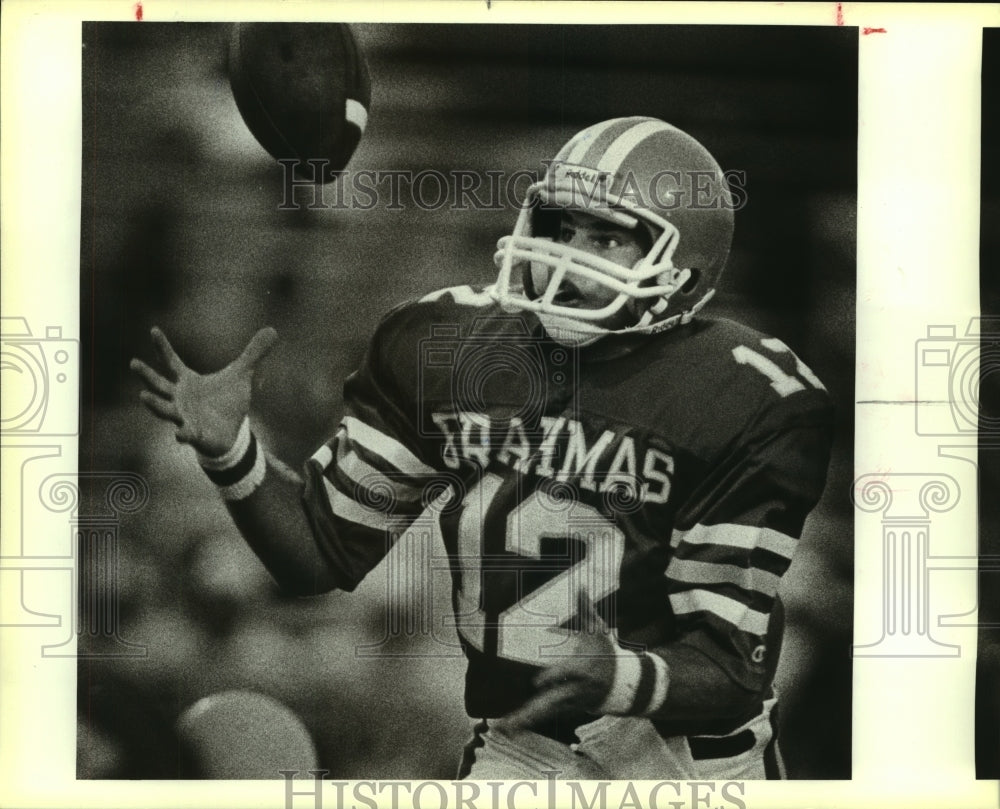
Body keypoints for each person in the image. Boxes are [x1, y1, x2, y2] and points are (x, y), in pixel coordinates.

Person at [131, 116, 834, 780]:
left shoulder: (741, 394)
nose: (566, 254)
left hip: (685, 762)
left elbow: (733, 666)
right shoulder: (449, 345)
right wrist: (232, 452)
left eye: (607, 237)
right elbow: (321, 551)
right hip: (519, 746)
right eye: (562, 226)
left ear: (681, 267)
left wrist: (618, 675)